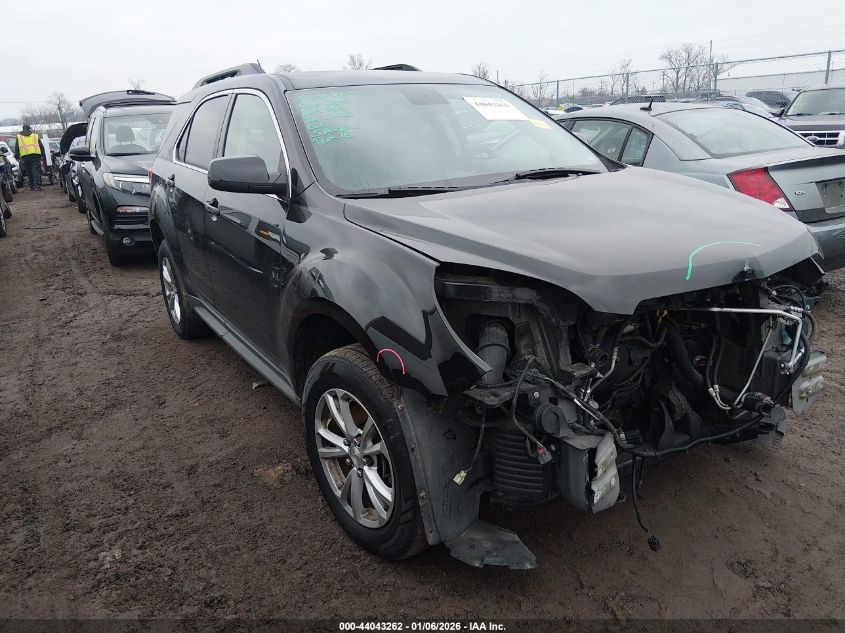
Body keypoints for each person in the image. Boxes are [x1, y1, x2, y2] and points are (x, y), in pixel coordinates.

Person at [15, 124, 47, 191]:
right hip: (35, 155)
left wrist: (17, 156)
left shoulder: (19, 137)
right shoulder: (35, 136)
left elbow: (17, 147)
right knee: (35, 170)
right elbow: (41, 146)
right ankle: (37, 186)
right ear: (29, 129)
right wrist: (43, 155)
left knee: (29, 171)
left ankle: (32, 185)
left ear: (23, 129)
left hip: (25, 156)